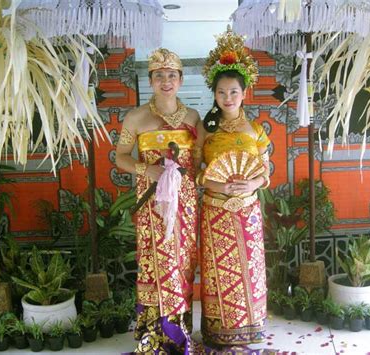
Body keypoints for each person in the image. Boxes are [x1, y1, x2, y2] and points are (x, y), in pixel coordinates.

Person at [116, 48, 201, 354]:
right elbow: (120, 158)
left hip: (186, 201)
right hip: (152, 203)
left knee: (182, 260)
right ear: (150, 80)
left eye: (172, 75)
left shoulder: (192, 117)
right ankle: (154, 329)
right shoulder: (136, 117)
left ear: (180, 80)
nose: (166, 81)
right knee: (155, 259)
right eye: (159, 75)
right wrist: (146, 169)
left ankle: (180, 328)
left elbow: (201, 159)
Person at [196, 28, 271, 348]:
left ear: (244, 93)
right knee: (218, 270)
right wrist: (215, 183)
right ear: (214, 94)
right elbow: (193, 169)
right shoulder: (204, 128)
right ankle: (218, 329)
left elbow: (266, 169)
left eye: (234, 92)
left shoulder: (255, 130)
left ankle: (250, 326)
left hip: (248, 210)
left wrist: (253, 181)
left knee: (249, 269)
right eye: (222, 92)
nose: (228, 98)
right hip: (215, 210)